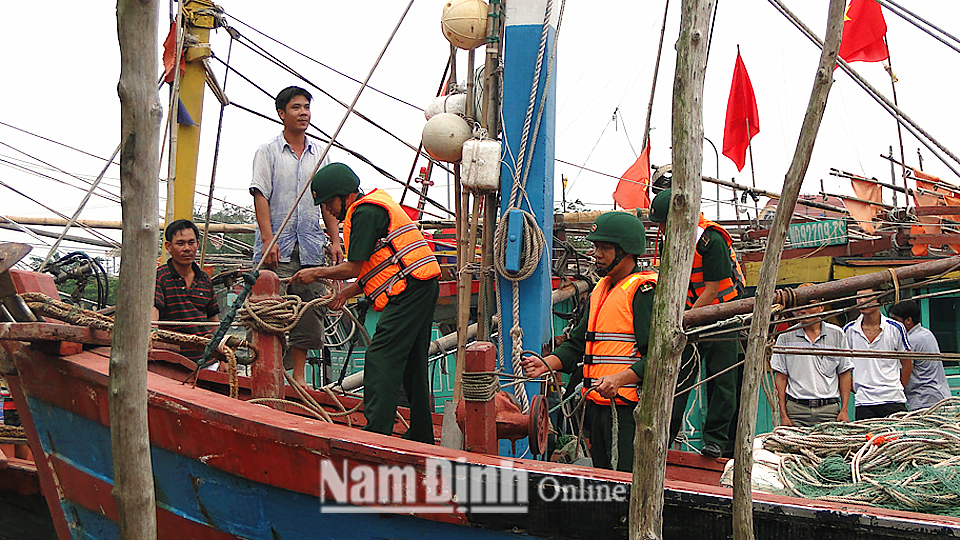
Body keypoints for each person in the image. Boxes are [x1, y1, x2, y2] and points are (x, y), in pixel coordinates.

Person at [291, 163, 440, 444]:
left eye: (328, 203)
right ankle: (422, 432)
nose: (329, 211)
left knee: (380, 357)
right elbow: (378, 266)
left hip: (410, 289)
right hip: (421, 284)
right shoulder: (373, 206)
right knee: (413, 362)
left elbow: (354, 267)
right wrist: (346, 294)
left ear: (342, 195)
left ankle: (377, 433)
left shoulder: (364, 212)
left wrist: (316, 273)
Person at [521, 212, 655, 472]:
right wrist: (545, 365)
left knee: (626, 481)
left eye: (604, 247)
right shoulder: (601, 290)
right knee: (604, 477)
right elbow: (578, 343)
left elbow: (657, 359)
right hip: (598, 406)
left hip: (628, 411)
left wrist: (619, 379)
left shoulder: (643, 292)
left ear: (626, 251)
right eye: (596, 247)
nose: (596, 253)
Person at [250, 86, 344, 386]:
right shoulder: (268, 152)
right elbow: (260, 195)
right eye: (296, 108)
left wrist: (336, 241)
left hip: (311, 248)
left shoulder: (320, 155)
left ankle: (299, 378)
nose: (303, 113)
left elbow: (329, 202)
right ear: (282, 113)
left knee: (307, 312)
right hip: (278, 247)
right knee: (271, 311)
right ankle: (270, 373)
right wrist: (268, 239)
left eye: (306, 107)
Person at [650, 188, 744, 458]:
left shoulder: (710, 239)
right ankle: (664, 435)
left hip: (721, 315)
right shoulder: (669, 240)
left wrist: (685, 320)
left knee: (722, 378)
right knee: (677, 377)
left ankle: (717, 440)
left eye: (665, 222)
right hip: (689, 314)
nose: (663, 229)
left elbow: (713, 289)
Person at [770, 285, 853, 427]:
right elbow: (781, 378)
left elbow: (844, 374)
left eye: (808, 305)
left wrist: (844, 410)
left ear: (821, 307)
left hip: (829, 408)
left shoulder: (837, 334)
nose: (803, 310)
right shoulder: (785, 337)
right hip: (796, 409)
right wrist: (783, 414)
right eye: (799, 306)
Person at [153, 219, 221, 364]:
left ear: (197, 244)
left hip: (206, 359)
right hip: (172, 360)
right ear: (168, 246)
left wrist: (223, 357)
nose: (187, 248)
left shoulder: (204, 279)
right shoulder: (160, 277)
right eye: (180, 243)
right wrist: (151, 337)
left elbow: (213, 321)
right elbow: (153, 317)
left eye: (191, 243)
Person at [844, 289, 913, 420]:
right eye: (858, 298)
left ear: (879, 299)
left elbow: (907, 364)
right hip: (864, 402)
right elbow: (842, 369)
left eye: (867, 297)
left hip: (894, 399)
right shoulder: (849, 330)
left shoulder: (895, 328)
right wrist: (858, 388)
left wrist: (897, 387)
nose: (862, 301)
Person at [889, 299, 950, 411]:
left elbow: (903, 369)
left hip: (924, 401)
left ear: (908, 320)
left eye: (895, 320)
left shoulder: (912, 340)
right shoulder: (926, 333)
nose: (893, 325)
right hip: (939, 396)